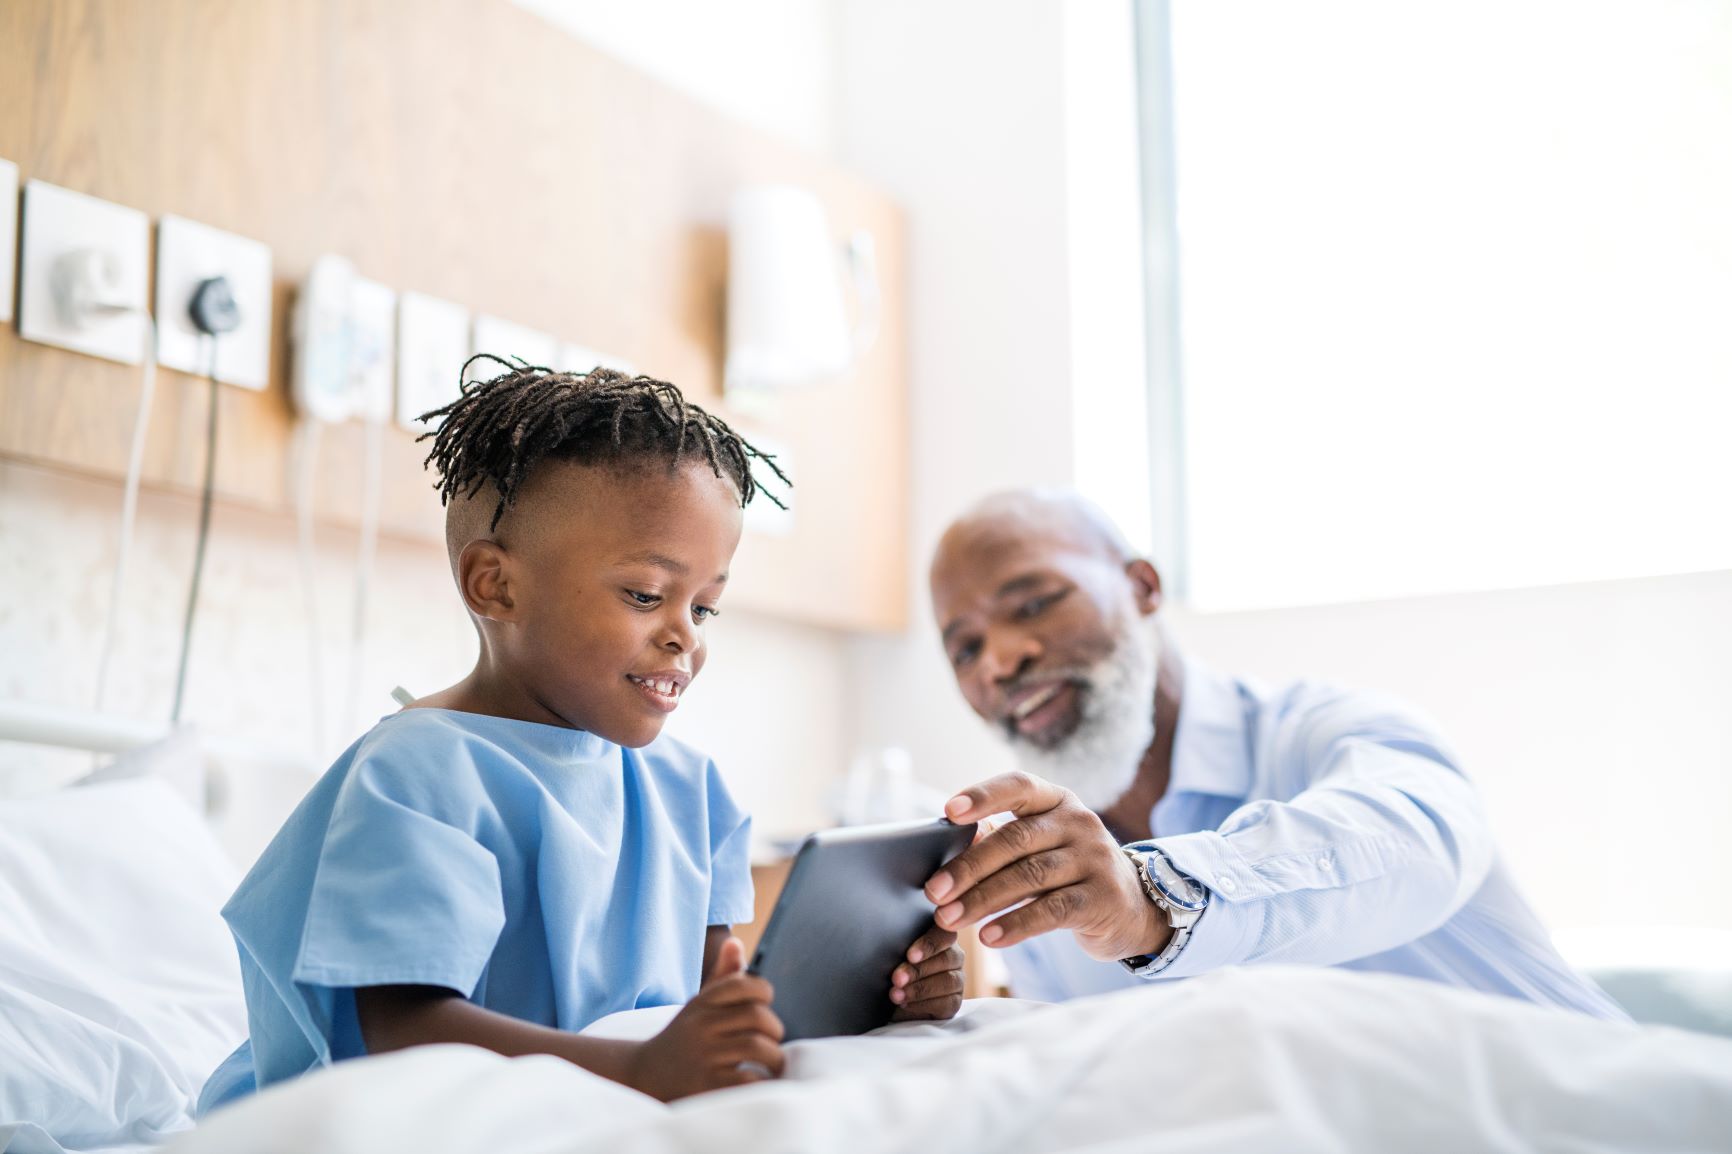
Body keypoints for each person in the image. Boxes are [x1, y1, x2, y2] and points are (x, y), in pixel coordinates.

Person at [200, 360, 965, 1112]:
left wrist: (877, 1000)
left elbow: (710, 1015)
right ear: (496, 585)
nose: (685, 640)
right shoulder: (420, 776)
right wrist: (638, 1071)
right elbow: (405, 1033)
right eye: (645, 595)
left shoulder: (691, 791)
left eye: (703, 609)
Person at [923, 488, 1625, 1018]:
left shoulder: (1334, 734)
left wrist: (1155, 897)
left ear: (1142, 589)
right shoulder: (1046, 892)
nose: (1002, 661)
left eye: (1035, 604)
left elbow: (1420, 845)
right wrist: (920, 1029)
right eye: (966, 648)